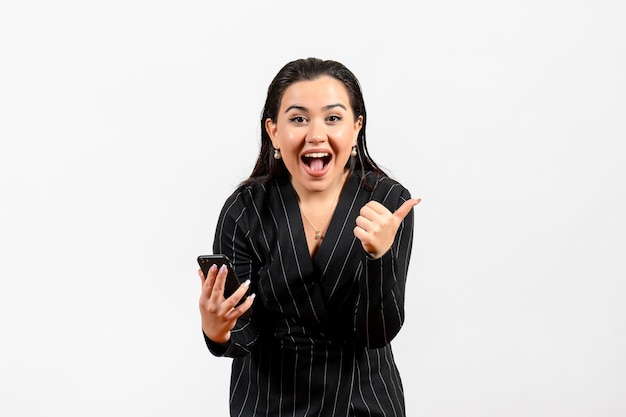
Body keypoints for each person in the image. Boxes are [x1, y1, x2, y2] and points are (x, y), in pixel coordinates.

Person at [198, 57, 420, 417]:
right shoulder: (245, 210)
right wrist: (217, 328)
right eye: (298, 118)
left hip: (362, 401)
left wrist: (378, 258)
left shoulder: (388, 203)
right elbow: (245, 331)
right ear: (273, 131)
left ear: (355, 128)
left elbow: (378, 332)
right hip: (269, 402)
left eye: (333, 118)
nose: (316, 134)